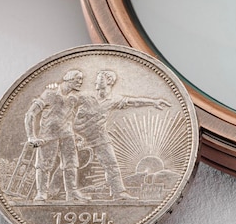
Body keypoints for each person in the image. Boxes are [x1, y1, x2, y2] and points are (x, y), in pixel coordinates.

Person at [73, 70, 171, 200]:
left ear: (109, 81)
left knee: (111, 164)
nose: (95, 81)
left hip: (99, 137)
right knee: (67, 165)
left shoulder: (113, 100)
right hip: (77, 136)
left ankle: (118, 193)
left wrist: (153, 102)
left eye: (99, 79)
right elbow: (66, 108)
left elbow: (133, 102)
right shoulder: (85, 97)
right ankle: (53, 192)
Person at [24, 69, 90, 202]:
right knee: (44, 165)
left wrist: (76, 135)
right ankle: (41, 194)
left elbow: (67, 118)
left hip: (68, 136)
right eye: (78, 80)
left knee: (71, 164)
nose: (81, 82)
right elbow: (30, 114)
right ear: (69, 80)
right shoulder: (50, 93)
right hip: (48, 136)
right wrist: (31, 136)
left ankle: (72, 193)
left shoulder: (73, 97)